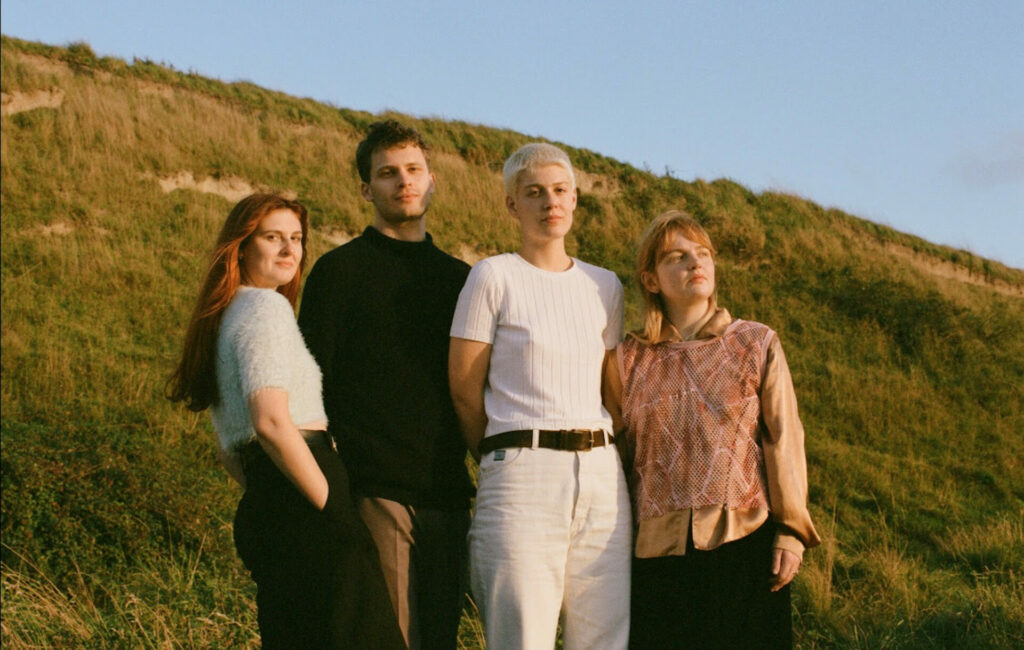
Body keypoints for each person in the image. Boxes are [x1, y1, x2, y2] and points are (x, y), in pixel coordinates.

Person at [167, 193, 405, 650]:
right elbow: (272, 423)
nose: (288, 250)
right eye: (272, 237)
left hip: (268, 499)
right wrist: (332, 505)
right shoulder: (265, 310)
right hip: (306, 491)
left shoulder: (224, 318)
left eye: (296, 239)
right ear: (241, 247)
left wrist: (273, 491)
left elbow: (227, 450)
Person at [604, 209, 822, 649]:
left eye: (702, 254)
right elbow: (614, 456)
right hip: (655, 556)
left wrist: (792, 532)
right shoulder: (627, 359)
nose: (695, 264)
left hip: (744, 546)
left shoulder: (755, 342)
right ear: (650, 280)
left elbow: (784, 440)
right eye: (677, 257)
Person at [298, 120, 474, 650]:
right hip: (376, 493)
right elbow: (308, 388)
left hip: (448, 493)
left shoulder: (462, 281)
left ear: (432, 180)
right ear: (365, 189)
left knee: (440, 639)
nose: (403, 182)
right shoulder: (338, 272)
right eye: (387, 173)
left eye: (413, 170)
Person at [449, 142, 632, 649]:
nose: (549, 202)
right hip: (521, 473)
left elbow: (610, 387)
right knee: (522, 637)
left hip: (601, 475)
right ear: (513, 205)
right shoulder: (493, 276)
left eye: (559, 191)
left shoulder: (605, 286)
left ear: (574, 199)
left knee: (604, 637)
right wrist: (498, 456)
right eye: (533, 193)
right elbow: (465, 391)